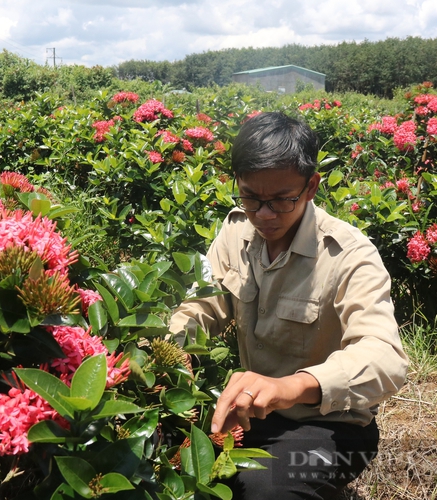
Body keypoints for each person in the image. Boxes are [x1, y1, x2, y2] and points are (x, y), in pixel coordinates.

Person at [168, 111, 408, 499]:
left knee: (265, 490)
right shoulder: (234, 234)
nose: (263, 215)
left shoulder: (349, 255)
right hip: (251, 418)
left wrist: (291, 387)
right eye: (250, 197)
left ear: (311, 186)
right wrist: (167, 353)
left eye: (281, 200)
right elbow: (202, 307)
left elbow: (385, 359)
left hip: (334, 427)